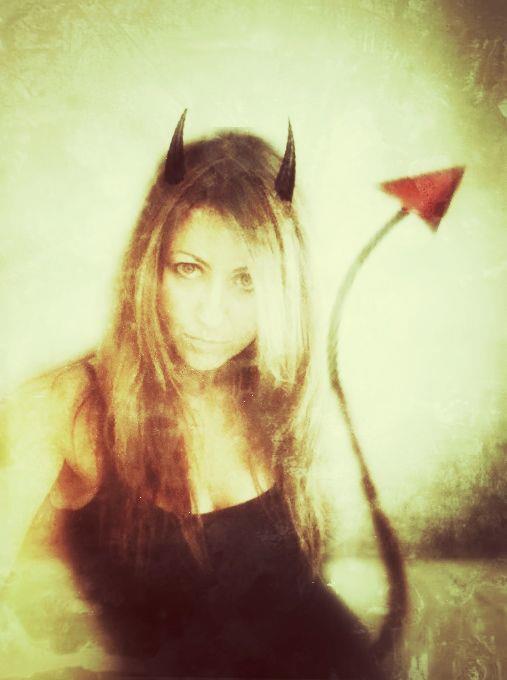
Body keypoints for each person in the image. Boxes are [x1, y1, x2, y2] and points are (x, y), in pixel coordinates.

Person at [1, 112, 387, 678]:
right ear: (148, 267)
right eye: (188, 269)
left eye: (246, 280)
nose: (212, 314)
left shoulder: (274, 395)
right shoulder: (65, 405)